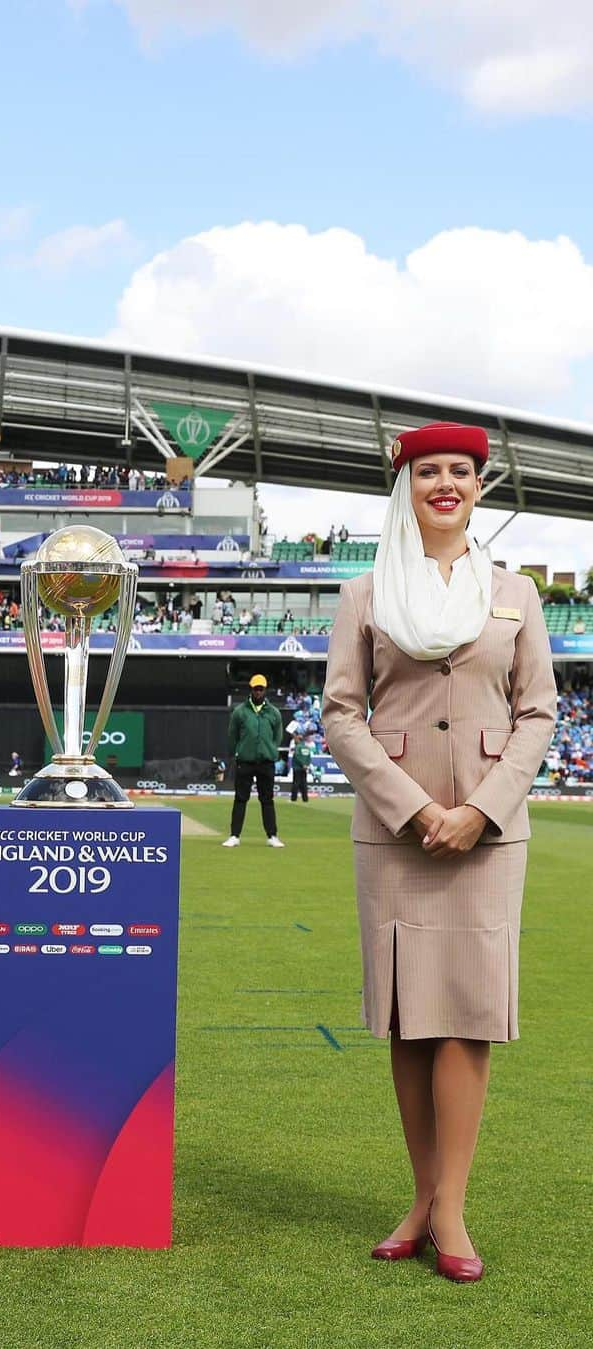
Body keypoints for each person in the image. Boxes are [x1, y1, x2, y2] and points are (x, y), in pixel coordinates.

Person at [322, 421, 556, 1283]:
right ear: (405, 486)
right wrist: (418, 806)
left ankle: (450, 1205)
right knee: (408, 1017)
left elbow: (538, 714)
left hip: (489, 840)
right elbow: (341, 715)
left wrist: (484, 810)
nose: (446, 484)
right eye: (429, 472)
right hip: (396, 832)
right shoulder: (366, 593)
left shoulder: (517, 593)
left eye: (461, 470)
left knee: (465, 1013)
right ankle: (421, 1197)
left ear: (480, 487)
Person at [223, 674, 285, 848]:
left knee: (267, 800)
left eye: (261, 689)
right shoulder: (240, 712)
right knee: (240, 799)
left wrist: (269, 750)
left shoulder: (273, 713)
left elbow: (277, 737)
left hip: (266, 762)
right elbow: (232, 735)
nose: (258, 692)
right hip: (245, 761)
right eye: (256, 688)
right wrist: (238, 752)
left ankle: (272, 836)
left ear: (265, 690)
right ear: (251, 689)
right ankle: (234, 835)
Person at [289, 730, 311, 802]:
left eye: (296, 739)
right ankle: (305, 799)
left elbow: (297, 757)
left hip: (297, 767)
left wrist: (302, 764)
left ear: (298, 740)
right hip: (304, 768)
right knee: (304, 783)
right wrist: (306, 765)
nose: (295, 740)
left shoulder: (297, 747)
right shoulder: (306, 747)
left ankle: (293, 798)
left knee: (296, 783)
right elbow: (309, 758)